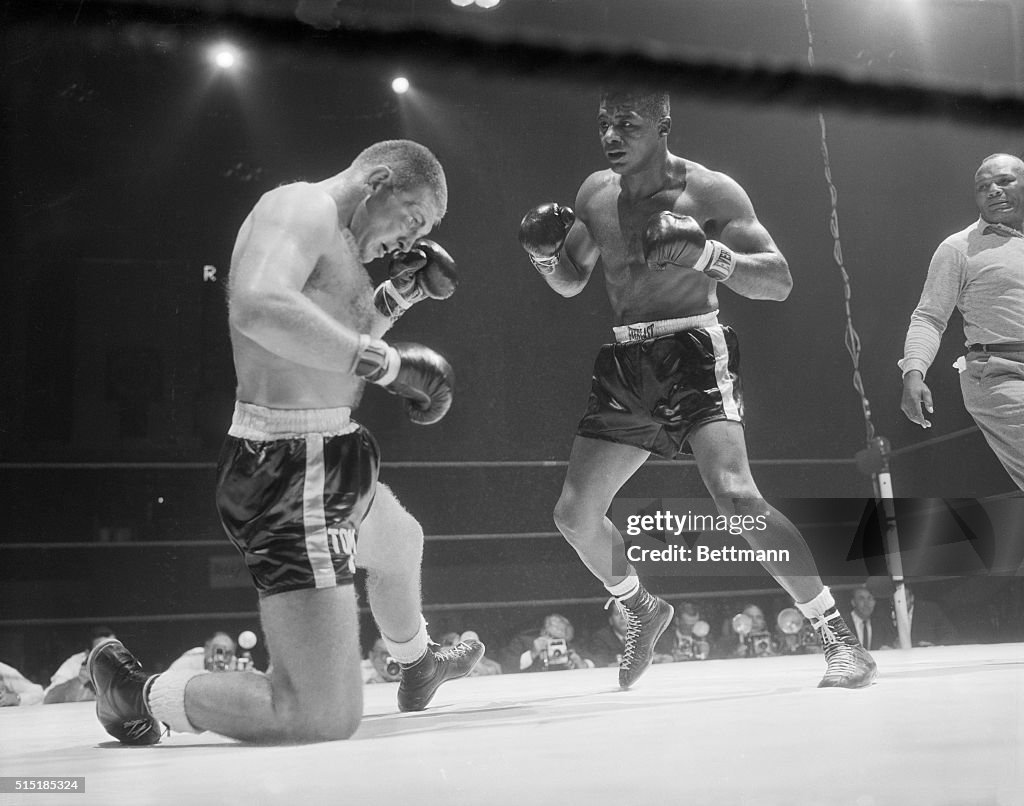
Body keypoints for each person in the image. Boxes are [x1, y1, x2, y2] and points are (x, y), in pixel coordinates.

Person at [88, 139, 483, 746]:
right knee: (319, 716)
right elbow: (257, 305)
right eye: (413, 220)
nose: (410, 242)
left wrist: (398, 300)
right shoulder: (301, 206)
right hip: (293, 468)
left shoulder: (339, 242)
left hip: (331, 453)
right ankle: (136, 691)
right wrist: (383, 363)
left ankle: (417, 662)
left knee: (400, 542)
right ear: (379, 180)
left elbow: (330, 339)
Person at [518, 89, 875, 690]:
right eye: (604, 124)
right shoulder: (595, 193)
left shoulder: (710, 192)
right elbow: (572, 281)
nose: (611, 136)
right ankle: (639, 606)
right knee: (575, 515)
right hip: (626, 359)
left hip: (693, 350)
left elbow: (779, 281)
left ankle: (837, 636)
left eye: (626, 124)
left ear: (662, 126)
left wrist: (709, 254)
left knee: (736, 497)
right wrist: (544, 258)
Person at [900, 153, 1024, 493]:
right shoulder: (959, 248)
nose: (993, 191)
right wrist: (914, 371)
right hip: (1000, 374)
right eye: (983, 187)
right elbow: (928, 316)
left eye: (1004, 182)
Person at [43, 626, 115, 704]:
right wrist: (79, 681)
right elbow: (48, 698)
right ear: (88, 653)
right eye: (102, 650)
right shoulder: (74, 664)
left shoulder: (125, 662)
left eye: (114, 648)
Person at [167, 632, 239, 673]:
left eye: (228, 653)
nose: (222, 657)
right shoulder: (187, 663)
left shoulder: (236, 666)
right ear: (207, 648)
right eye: (218, 652)